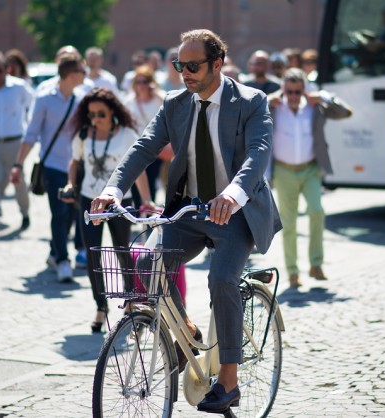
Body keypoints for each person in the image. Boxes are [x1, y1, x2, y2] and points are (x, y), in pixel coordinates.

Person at [90, 28, 281, 413]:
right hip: (190, 210)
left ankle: (228, 380)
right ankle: (184, 335)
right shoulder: (175, 103)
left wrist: (233, 194)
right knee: (147, 264)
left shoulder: (251, 101)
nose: (185, 73)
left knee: (221, 279)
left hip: (236, 213)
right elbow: (144, 147)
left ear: (217, 64)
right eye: (180, 65)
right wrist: (113, 189)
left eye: (193, 66)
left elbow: (258, 153)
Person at [61, 87, 154, 332]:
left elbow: (138, 168)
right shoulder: (83, 134)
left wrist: (147, 199)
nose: (96, 119)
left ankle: (131, 302)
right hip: (90, 201)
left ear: (112, 111)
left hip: (120, 202)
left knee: (123, 252)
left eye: (101, 114)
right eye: (91, 115)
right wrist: (70, 184)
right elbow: (75, 161)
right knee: (93, 255)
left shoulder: (126, 135)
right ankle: (101, 306)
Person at [268, 67, 352, 288]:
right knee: (289, 223)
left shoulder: (315, 106)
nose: (294, 96)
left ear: (304, 90)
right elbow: (247, 114)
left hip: (310, 169)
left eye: (298, 92)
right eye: (289, 92)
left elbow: (345, 113)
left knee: (317, 211)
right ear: (283, 90)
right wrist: (268, 101)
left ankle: (316, 264)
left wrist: (323, 97)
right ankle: (293, 272)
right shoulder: (274, 107)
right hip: (284, 170)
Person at [11, 53, 86, 282]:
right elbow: (31, 133)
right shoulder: (44, 98)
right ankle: (63, 260)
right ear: (71, 75)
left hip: (76, 166)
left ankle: (55, 251)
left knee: (72, 214)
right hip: (53, 165)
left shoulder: (81, 99)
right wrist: (18, 164)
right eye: (81, 71)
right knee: (59, 213)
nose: (85, 75)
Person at [0, 55, 34, 235]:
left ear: (7, 70)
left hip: (15, 142)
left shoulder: (19, 87)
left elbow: (31, 106)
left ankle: (25, 213)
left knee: (18, 180)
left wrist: (28, 130)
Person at [123, 65, 166, 205]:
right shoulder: (129, 101)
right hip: (135, 146)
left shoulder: (158, 98)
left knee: (151, 180)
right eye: (138, 82)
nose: (141, 85)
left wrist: (156, 92)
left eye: (145, 81)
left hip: (155, 148)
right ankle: (139, 209)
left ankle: (149, 211)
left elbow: (170, 105)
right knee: (135, 181)